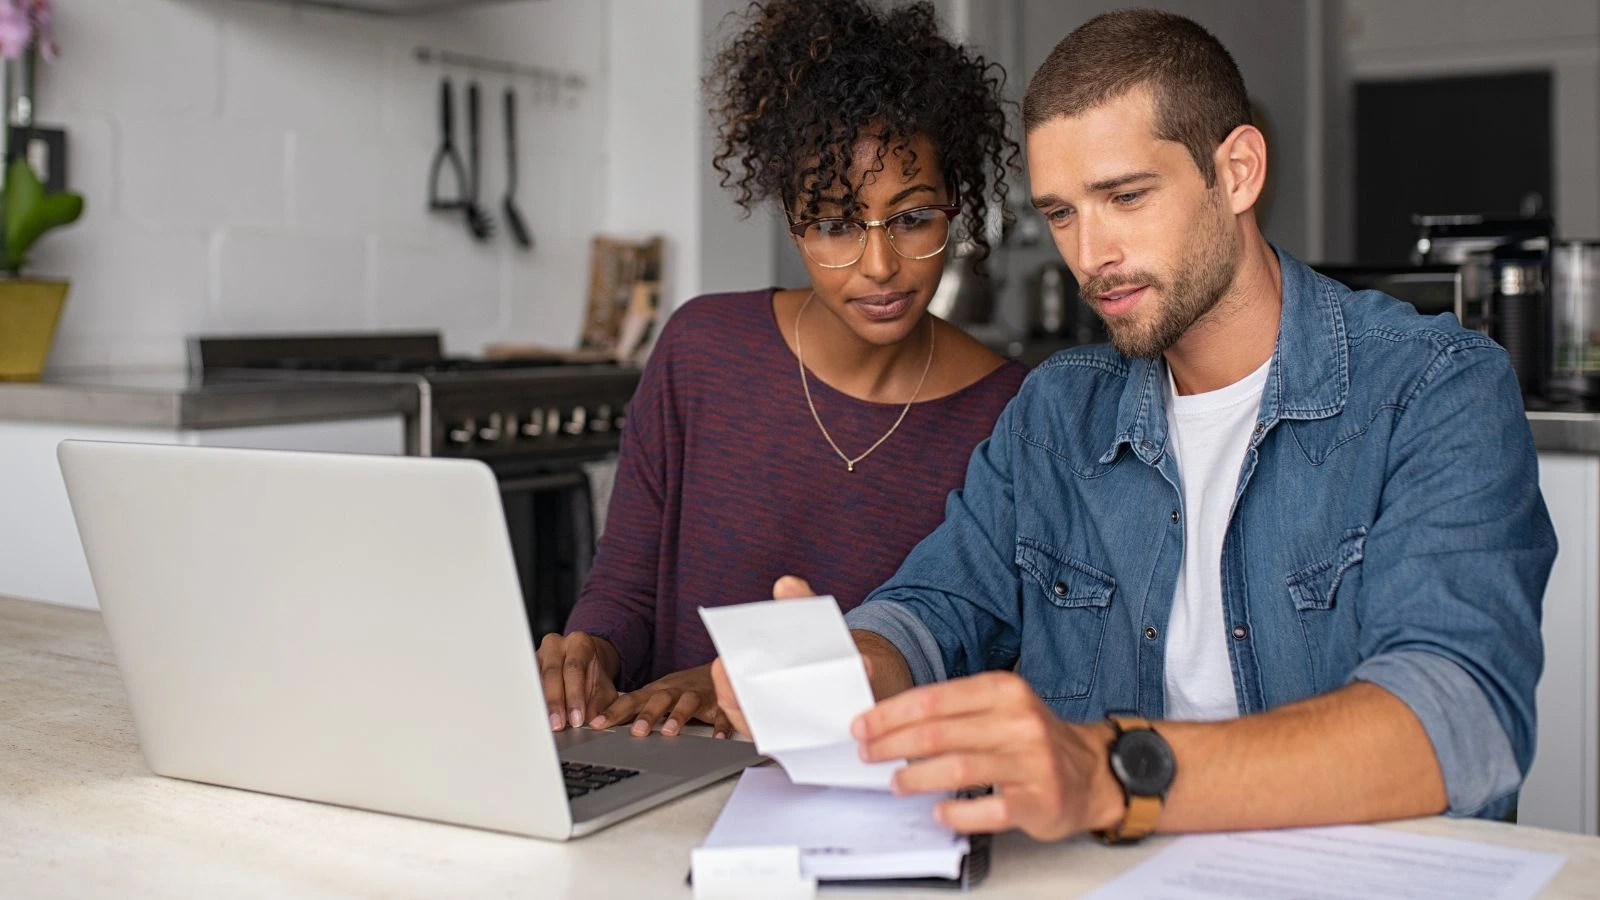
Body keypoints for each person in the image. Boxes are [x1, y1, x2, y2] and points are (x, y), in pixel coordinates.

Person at [716, 8, 1555, 842]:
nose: (1091, 256)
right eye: (1062, 213)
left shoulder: (1434, 388)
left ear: (1238, 172)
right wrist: (854, 665)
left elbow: (1461, 719)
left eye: (1124, 197)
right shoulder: (1055, 413)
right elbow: (938, 606)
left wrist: (1114, 773)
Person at [539, 0, 1028, 741]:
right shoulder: (701, 350)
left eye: (911, 217)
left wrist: (736, 686)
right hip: (670, 765)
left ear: (955, 207)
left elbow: (974, 655)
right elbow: (627, 588)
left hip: (871, 787)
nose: (879, 265)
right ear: (792, 221)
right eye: (833, 224)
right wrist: (590, 654)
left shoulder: (1011, 413)